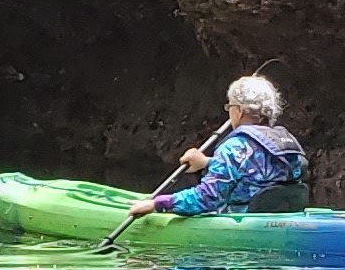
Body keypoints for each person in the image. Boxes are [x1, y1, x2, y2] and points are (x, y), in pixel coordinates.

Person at [132, 75, 313, 217]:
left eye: (230, 106)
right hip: (281, 217)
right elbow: (254, 172)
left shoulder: (232, 148)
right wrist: (208, 163)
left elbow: (207, 198)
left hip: (245, 223)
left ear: (239, 110)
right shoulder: (282, 141)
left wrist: (158, 203)